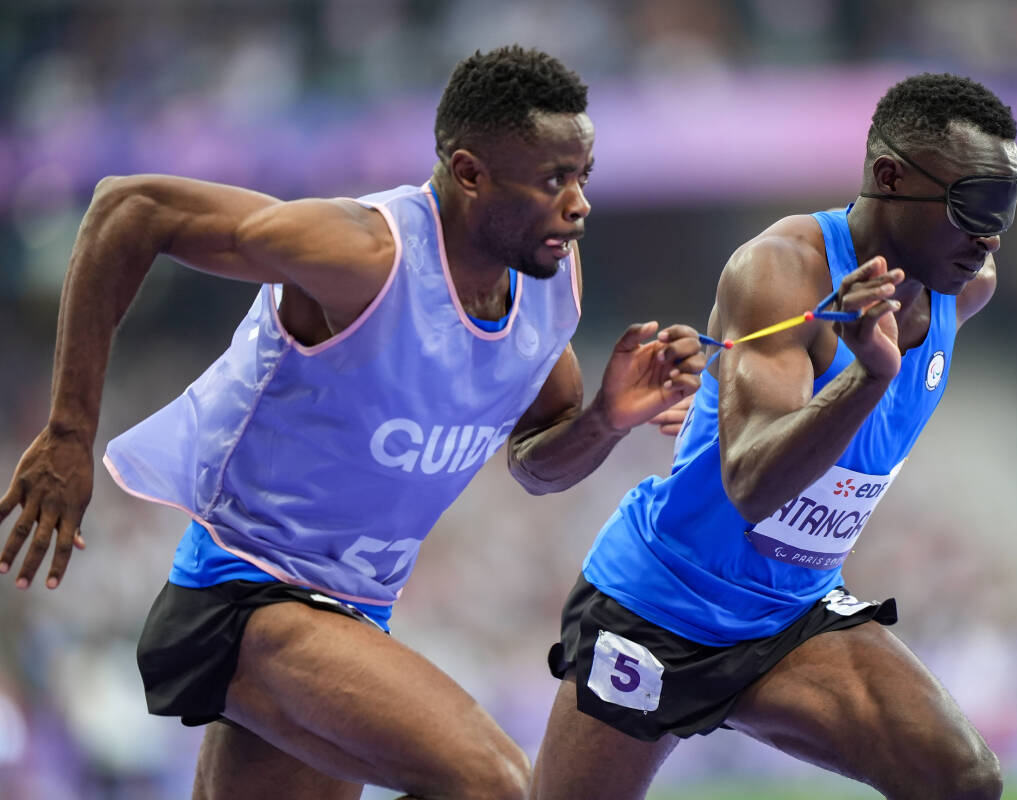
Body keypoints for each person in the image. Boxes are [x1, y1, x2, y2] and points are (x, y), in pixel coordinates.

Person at [0, 46, 706, 800]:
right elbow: (128, 207)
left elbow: (535, 466)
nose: (579, 204)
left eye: (583, 177)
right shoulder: (364, 253)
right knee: (494, 784)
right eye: (552, 181)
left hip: (350, 616)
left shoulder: (545, 285)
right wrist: (70, 432)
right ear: (470, 174)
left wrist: (605, 418)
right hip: (246, 594)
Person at [532, 72, 1017, 800]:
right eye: (971, 205)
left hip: (788, 616)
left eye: (1005, 208)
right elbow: (752, 485)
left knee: (961, 782)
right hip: (658, 607)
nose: (988, 234)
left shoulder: (967, 284)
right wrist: (868, 375)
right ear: (890, 176)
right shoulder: (781, 269)